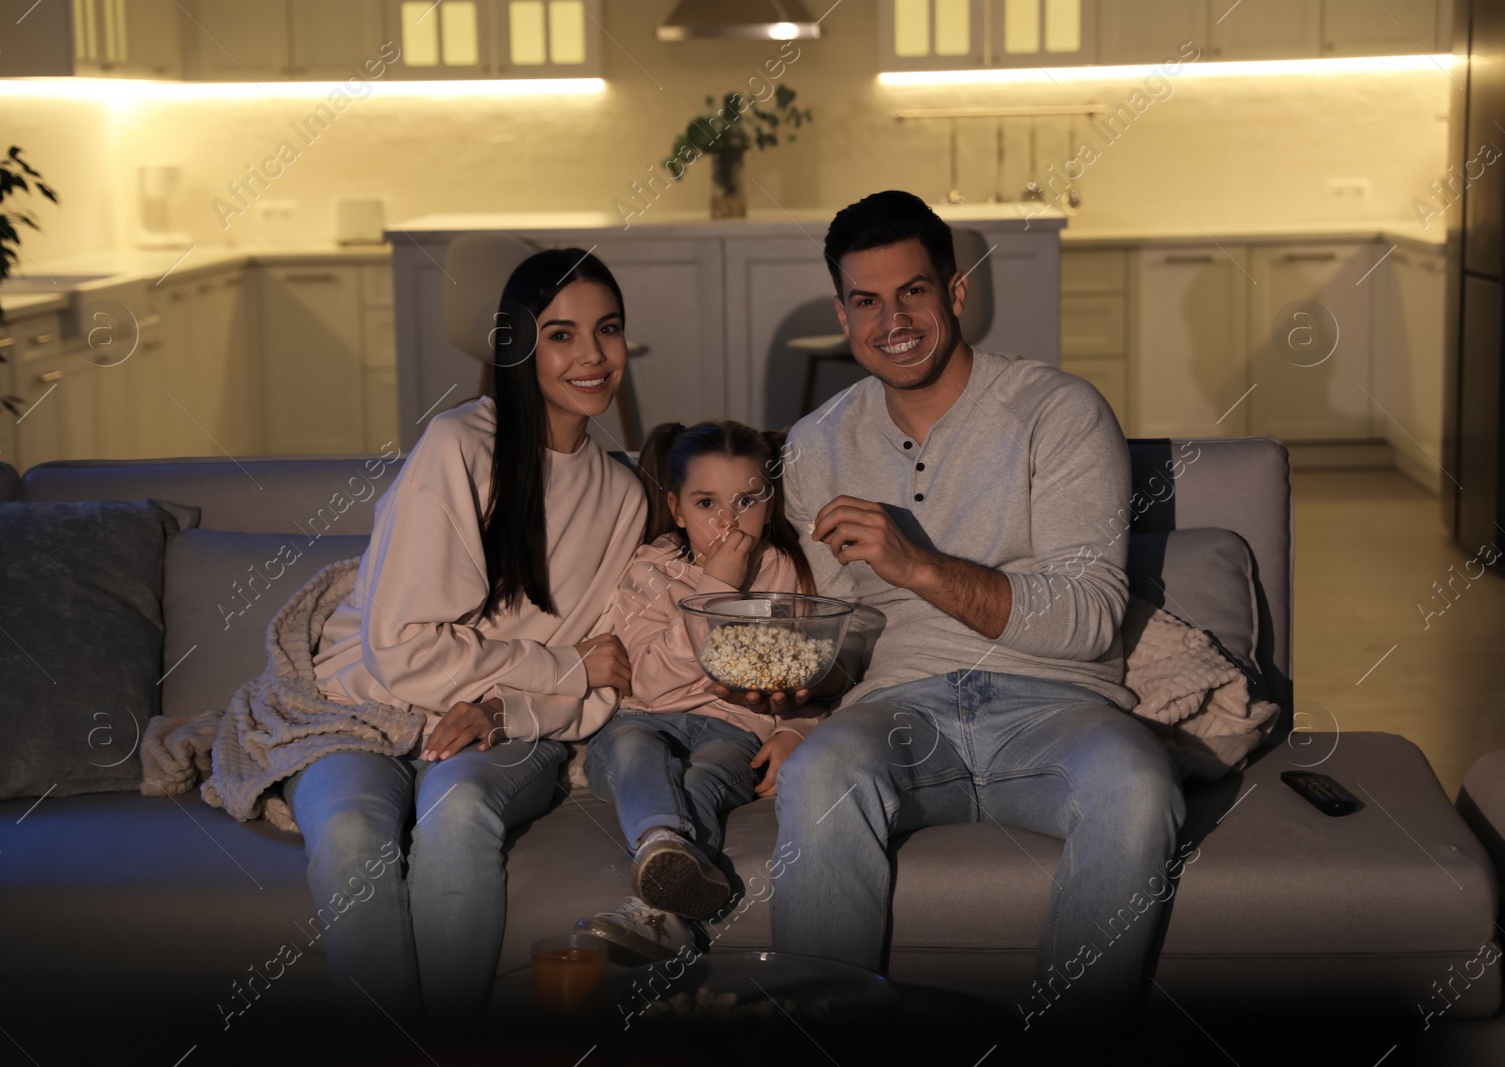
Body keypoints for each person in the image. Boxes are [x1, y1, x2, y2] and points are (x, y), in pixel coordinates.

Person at [746, 190, 1186, 1023]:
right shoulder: (815, 443)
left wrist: (918, 565)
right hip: (900, 711)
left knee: (1136, 783)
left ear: (956, 292)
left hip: (1056, 708)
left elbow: (1090, 615)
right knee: (824, 770)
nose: (892, 320)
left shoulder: (1059, 412)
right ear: (844, 314)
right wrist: (792, 685)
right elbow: (847, 633)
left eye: (912, 291)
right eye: (867, 302)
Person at [287, 248, 646, 1022]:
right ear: (519, 345)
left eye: (607, 329)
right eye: (561, 334)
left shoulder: (622, 493)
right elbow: (404, 649)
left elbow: (604, 674)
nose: (591, 355)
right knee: (351, 830)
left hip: (506, 721)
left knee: (454, 814)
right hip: (361, 705)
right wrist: (556, 665)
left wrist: (511, 709)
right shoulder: (457, 446)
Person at [573, 420, 828, 964]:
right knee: (633, 748)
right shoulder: (651, 571)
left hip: (734, 728)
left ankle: (662, 909)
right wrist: (716, 588)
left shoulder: (784, 574)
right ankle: (662, 842)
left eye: (746, 500)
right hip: (644, 719)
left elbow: (797, 675)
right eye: (707, 502)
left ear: (770, 502)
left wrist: (793, 730)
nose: (728, 521)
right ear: (678, 507)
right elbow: (647, 679)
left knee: (707, 775)